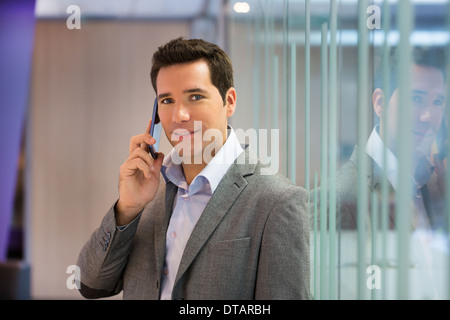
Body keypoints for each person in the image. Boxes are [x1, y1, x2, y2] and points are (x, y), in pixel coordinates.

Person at [76, 37, 310, 300]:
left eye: (195, 97)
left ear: (229, 101)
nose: (179, 116)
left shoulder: (278, 201)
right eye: (167, 101)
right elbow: (90, 284)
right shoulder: (149, 190)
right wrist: (127, 209)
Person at [329, 46, 447, 231]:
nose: (428, 116)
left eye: (438, 102)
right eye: (416, 99)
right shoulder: (339, 197)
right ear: (380, 103)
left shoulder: (432, 186)